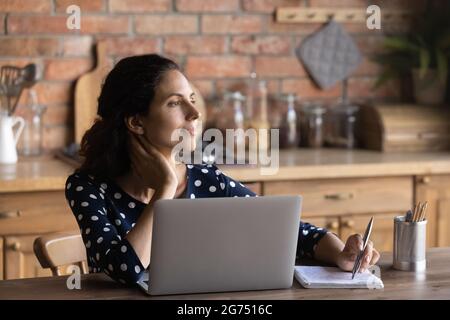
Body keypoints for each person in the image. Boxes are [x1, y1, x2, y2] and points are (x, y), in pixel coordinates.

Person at [65, 54, 380, 285]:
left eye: (191, 99)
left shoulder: (205, 179)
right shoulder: (88, 187)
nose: (194, 113)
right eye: (175, 103)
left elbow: (289, 232)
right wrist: (164, 188)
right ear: (136, 121)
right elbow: (125, 269)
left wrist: (341, 252)